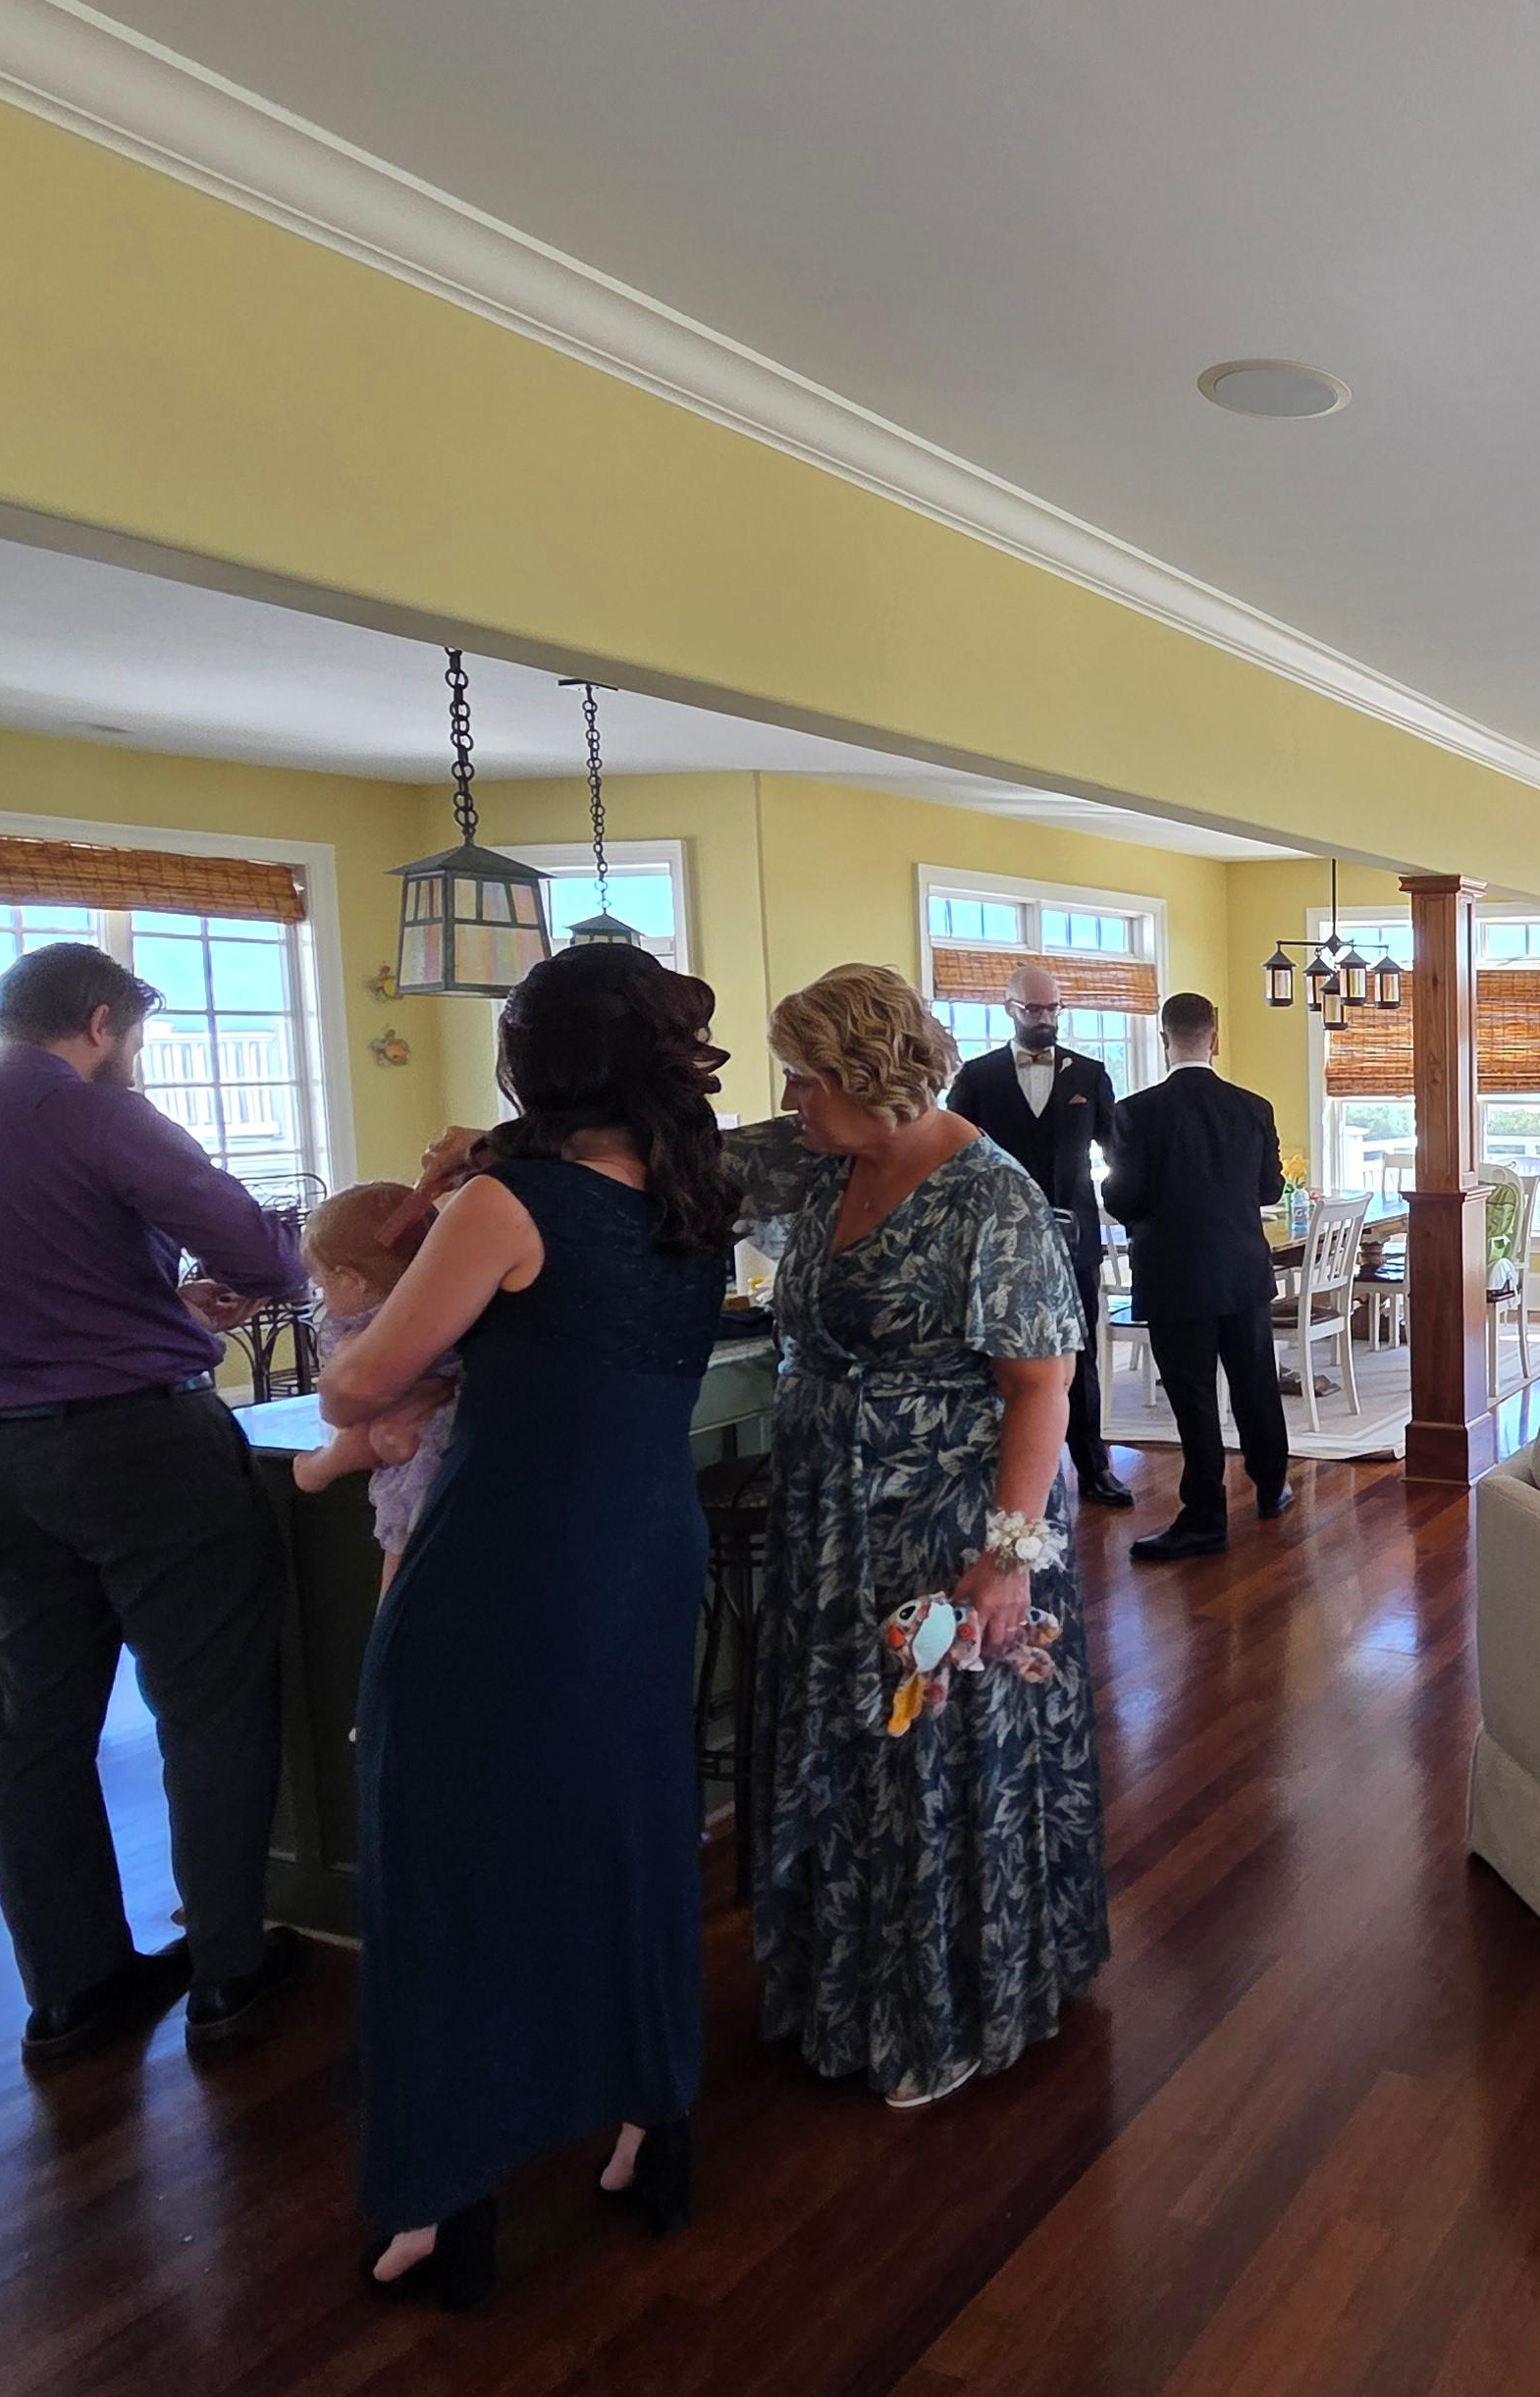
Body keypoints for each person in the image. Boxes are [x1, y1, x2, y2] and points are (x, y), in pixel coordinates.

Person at [323, 944, 739, 2307]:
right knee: (630, 1834)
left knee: (445, 1856)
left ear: (534, 1066)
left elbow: (359, 1385)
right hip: (646, 1549)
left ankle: (448, 2190)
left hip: (507, 1563)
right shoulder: (695, 1192)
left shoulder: (508, 1206)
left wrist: (426, 1229)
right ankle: (651, 2121)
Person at [0, 941, 309, 2069]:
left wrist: (149, 1299)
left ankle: (71, 1989)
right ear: (100, 1023)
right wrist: (239, 1283)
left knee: (35, 1728)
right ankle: (227, 1973)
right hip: (139, 1448)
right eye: (133, 1037)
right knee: (207, 1703)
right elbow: (259, 1249)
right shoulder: (97, 1116)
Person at [734, 965, 1108, 2110]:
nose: (789, 1098)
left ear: (869, 1076)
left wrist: (1004, 1565)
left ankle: (946, 2015)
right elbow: (671, 1163)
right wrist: (502, 1155)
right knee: (844, 1749)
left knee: (930, 1762)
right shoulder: (820, 1156)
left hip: (949, 1529)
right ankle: (844, 1996)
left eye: (806, 1078)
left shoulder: (990, 1198)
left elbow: (1041, 1388)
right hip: (829, 1520)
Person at [1100, 990, 1291, 1563]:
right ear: (1215, 1038)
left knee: (1194, 1398)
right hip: (1242, 1269)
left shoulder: (1135, 1112)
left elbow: (1123, 1197)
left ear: (1164, 1041)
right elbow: (1270, 1189)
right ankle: (1271, 1486)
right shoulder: (1253, 1107)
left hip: (1174, 1273)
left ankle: (1206, 1517)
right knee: (1256, 1383)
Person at [952, 962, 1136, 1510]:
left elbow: (1119, 1152)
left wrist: (1122, 1210)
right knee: (1000, 1357)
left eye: (1053, 1008)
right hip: (998, 1243)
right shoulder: (978, 1077)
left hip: (1074, 1240)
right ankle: (1009, 1477)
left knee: (1079, 1354)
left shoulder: (1089, 1074)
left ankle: (1093, 1467)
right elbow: (954, 1158)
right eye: (1034, 1008)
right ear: (1009, 1008)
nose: (1045, 1018)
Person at [289, 1182, 456, 1586]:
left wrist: (321, 1465)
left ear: (352, 1279)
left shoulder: (368, 1331)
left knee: (398, 1562)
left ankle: (318, 1470)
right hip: (454, 1432)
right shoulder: (449, 1299)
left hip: (419, 1451)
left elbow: (353, 1412)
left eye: (323, 1285)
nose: (322, 1298)